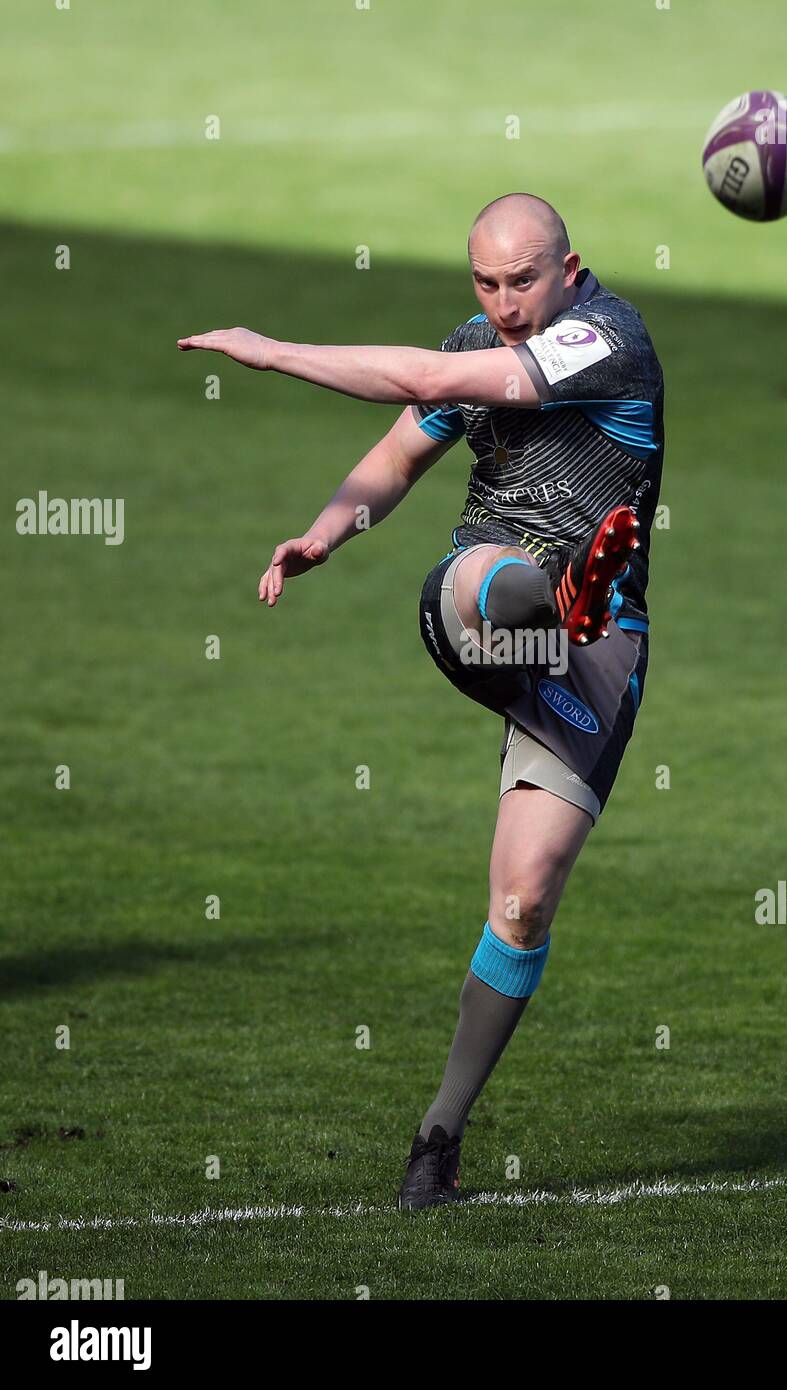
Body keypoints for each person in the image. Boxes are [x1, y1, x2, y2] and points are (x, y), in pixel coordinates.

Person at [177, 192, 664, 1210]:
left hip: (597, 650)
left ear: (568, 270)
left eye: (520, 281)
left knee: (523, 898)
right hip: (474, 606)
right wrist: (327, 528)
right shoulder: (482, 338)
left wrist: (270, 351)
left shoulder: (603, 340)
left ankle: (436, 1140)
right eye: (483, 283)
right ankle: (548, 596)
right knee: (495, 574)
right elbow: (398, 456)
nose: (502, 302)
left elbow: (428, 377)